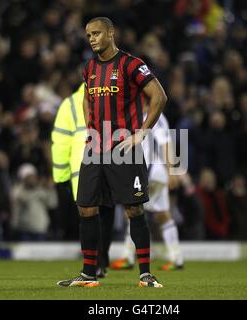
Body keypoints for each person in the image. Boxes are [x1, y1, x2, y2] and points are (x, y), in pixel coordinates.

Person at [57, 17, 168, 288]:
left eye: (96, 33)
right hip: (95, 149)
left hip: (124, 149)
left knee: (133, 209)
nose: (92, 38)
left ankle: (145, 275)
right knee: (85, 208)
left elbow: (159, 96)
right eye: (88, 35)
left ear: (110, 33)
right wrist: (90, 127)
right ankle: (88, 274)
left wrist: (141, 132)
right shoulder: (89, 68)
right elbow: (87, 98)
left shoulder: (131, 64)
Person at [51, 83, 115, 277]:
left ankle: (92, 263)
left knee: (88, 217)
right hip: (111, 165)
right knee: (106, 215)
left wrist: (60, 176)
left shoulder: (69, 104)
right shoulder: (111, 98)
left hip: (82, 169)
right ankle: (101, 260)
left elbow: (61, 142)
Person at [109, 111, 184, 271]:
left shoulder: (153, 115)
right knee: (161, 214)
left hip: (150, 172)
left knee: (133, 211)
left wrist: (172, 171)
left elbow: (166, 142)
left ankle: (129, 257)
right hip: (150, 172)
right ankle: (176, 257)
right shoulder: (136, 113)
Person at [11, 163, 58, 241]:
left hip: (40, 229)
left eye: (33, 176)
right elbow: (19, 200)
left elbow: (52, 204)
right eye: (28, 177)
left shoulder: (42, 190)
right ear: (23, 178)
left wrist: (51, 190)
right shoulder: (18, 190)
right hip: (24, 230)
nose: (32, 179)